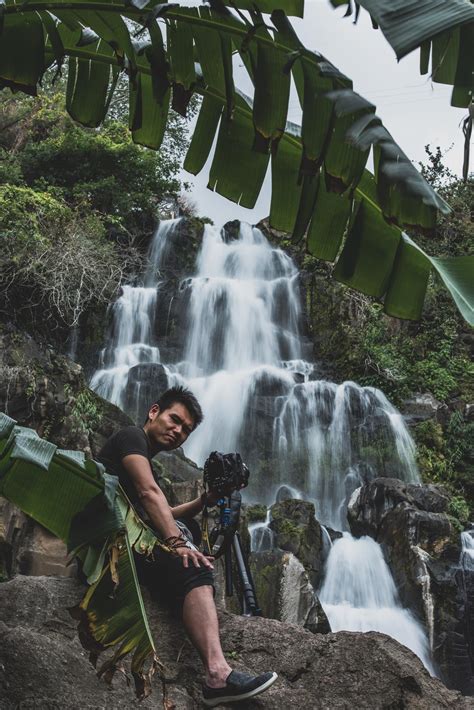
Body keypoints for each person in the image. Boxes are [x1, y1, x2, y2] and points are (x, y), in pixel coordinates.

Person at [97, 385, 277, 707]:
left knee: (189, 532)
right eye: (174, 419)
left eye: (186, 429)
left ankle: (189, 599)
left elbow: (159, 514)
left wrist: (204, 500)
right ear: (154, 412)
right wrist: (180, 546)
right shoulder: (131, 437)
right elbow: (149, 495)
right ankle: (217, 675)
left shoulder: (145, 458)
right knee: (192, 564)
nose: (178, 431)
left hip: (126, 542)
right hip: (111, 547)